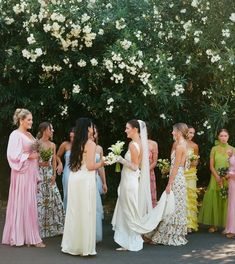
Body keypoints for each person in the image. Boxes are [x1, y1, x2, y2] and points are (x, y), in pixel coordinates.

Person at [112, 119, 175, 251]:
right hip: (130, 179)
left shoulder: (133, 145)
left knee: (129, 210)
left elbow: (135, 167)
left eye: (127, 128)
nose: (125, 130)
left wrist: (120, 159)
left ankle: (131, 241)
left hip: (130, 180)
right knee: (128, 210)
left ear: (135, 129)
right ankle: (128, 240)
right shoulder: (141, 143)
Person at [2, 109, 45, 247]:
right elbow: (12, 155)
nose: (31, 122)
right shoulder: (15, 135)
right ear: (21, 120)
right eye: (29, 120)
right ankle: (21, 235)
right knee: (23, 201)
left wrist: (38, 156)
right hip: (22, 172)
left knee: (30, 202)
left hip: (31, 170)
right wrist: (31, 156)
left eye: (32, 119)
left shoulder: (29, 134)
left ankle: (29, 235)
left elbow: (33, 151)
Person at [61, 118, 104, 256]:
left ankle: (71, 245)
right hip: (85, 179)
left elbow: (74, 164)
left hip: (74, 178)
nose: (93, 129)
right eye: (91, 126)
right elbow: (91, 166)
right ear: (87, 128)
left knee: (74, 211)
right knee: (85, 211)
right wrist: (103, 162)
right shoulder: (90, 143)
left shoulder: (76, 143)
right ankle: (84, 247)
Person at [144, 123, 188, 246]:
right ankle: (156, 233)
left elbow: (176, 167)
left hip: (177, 179)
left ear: (179, 132)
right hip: (177, 177)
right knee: (168, 206)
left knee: (170, 207)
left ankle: (163, 236)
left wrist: (169, 184)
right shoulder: (179, 144)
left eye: (173, 131)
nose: (172, 133)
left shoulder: (180, 146)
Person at [198, 129, 233, 232]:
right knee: (215, 198)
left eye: (225, 136)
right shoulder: (214, 149)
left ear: (228, 137)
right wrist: (217, 176)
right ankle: (214, 225)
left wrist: (226, 176)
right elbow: (211, 165)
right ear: (218, 137)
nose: (223, 138)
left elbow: (233, 165)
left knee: (227, 199)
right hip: (215, 177)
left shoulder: (232, 149)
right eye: (221, 136)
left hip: (228, 177)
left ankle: (228, 226)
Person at [37, 122, 64, 238]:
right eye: (50, 129)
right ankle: (39, 229)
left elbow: (53, 161)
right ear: (44, 130)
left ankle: (56, 228)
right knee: (41, 200)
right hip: (39, 174)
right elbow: (32, 159)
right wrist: (39, 163)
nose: (52, 131)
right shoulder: (36, 143)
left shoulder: (53, 145)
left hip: (49, 174)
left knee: (55, 198)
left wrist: (54, 174)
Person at [93, 125, 108, 242]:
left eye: (95, 132)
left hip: (96, 179)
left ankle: (94, 233)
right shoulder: (82, 146)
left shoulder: (99, 148)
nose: (93, 134)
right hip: (85, 178)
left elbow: (101, 167)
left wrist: (104, 183)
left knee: (96, 206)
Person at [185, 126, 199, 233]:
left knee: (190, 197)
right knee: (182, 197)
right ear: (185, 132)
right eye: (190, 132)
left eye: (193, 133)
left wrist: (194, 162)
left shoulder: (195, 146)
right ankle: (182, 223)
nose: (191, 135)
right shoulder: (178, 144)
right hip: (181, 172)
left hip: (191, 173)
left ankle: (190, 224)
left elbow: (196, 161)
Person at [57, 127, 75, 211]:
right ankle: (66, 215)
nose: (72, 139)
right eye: (70, 137)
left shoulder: (82, 145)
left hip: (79, 172)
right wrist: (60, 163)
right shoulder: (65, 144)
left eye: (74, 137)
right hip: (67, 172)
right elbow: (57, 156)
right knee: (67, 194)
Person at [224, 149, 235, 238]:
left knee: (233, 204)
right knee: (232, 204)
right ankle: (230, 228)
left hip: (233, 180)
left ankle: (232, 230)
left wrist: (229, 174)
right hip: (232, 182)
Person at [147, 125, 158, 207]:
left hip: (149, 172)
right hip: (136, 172)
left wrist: (145, 171)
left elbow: (155, 161)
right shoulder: (134, 143)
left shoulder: (153, 143)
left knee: (149, 193)